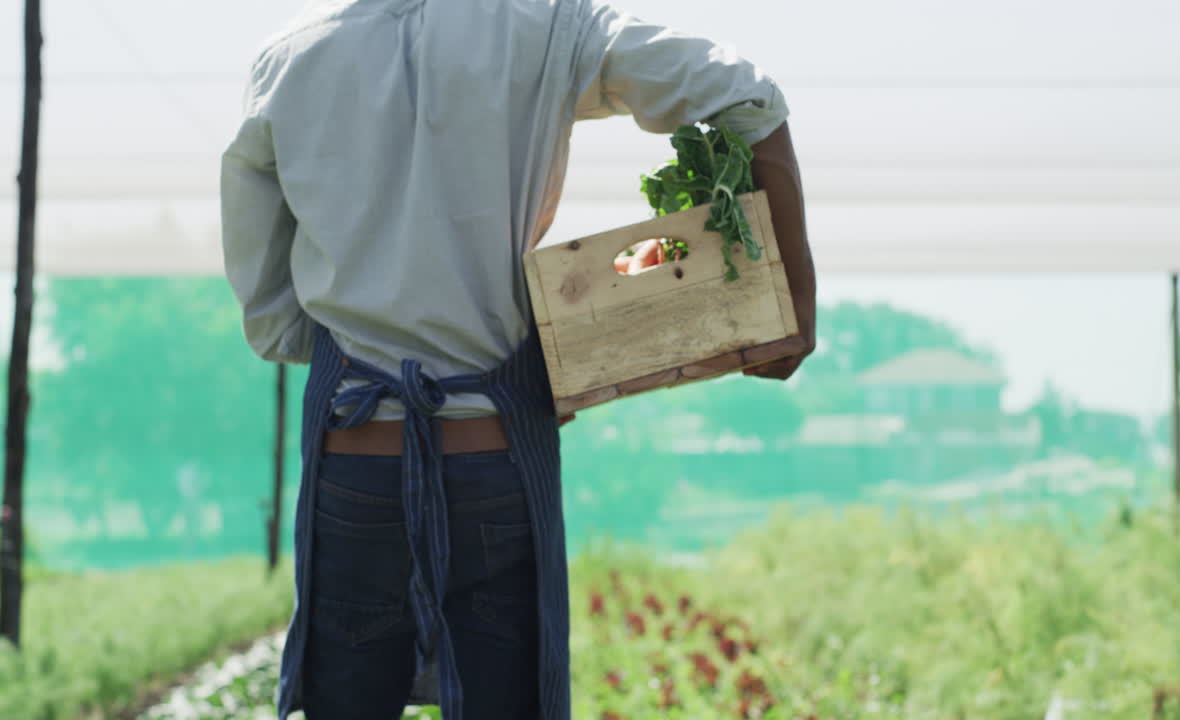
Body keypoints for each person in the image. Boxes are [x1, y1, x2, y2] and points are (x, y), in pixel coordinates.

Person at [219, 1, 816, 718]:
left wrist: (351, 340)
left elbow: (270, 316)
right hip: (493, 465)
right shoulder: (549, 22)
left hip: (356, 465)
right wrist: (794, 308)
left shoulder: (290, 56)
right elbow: (747, 96)